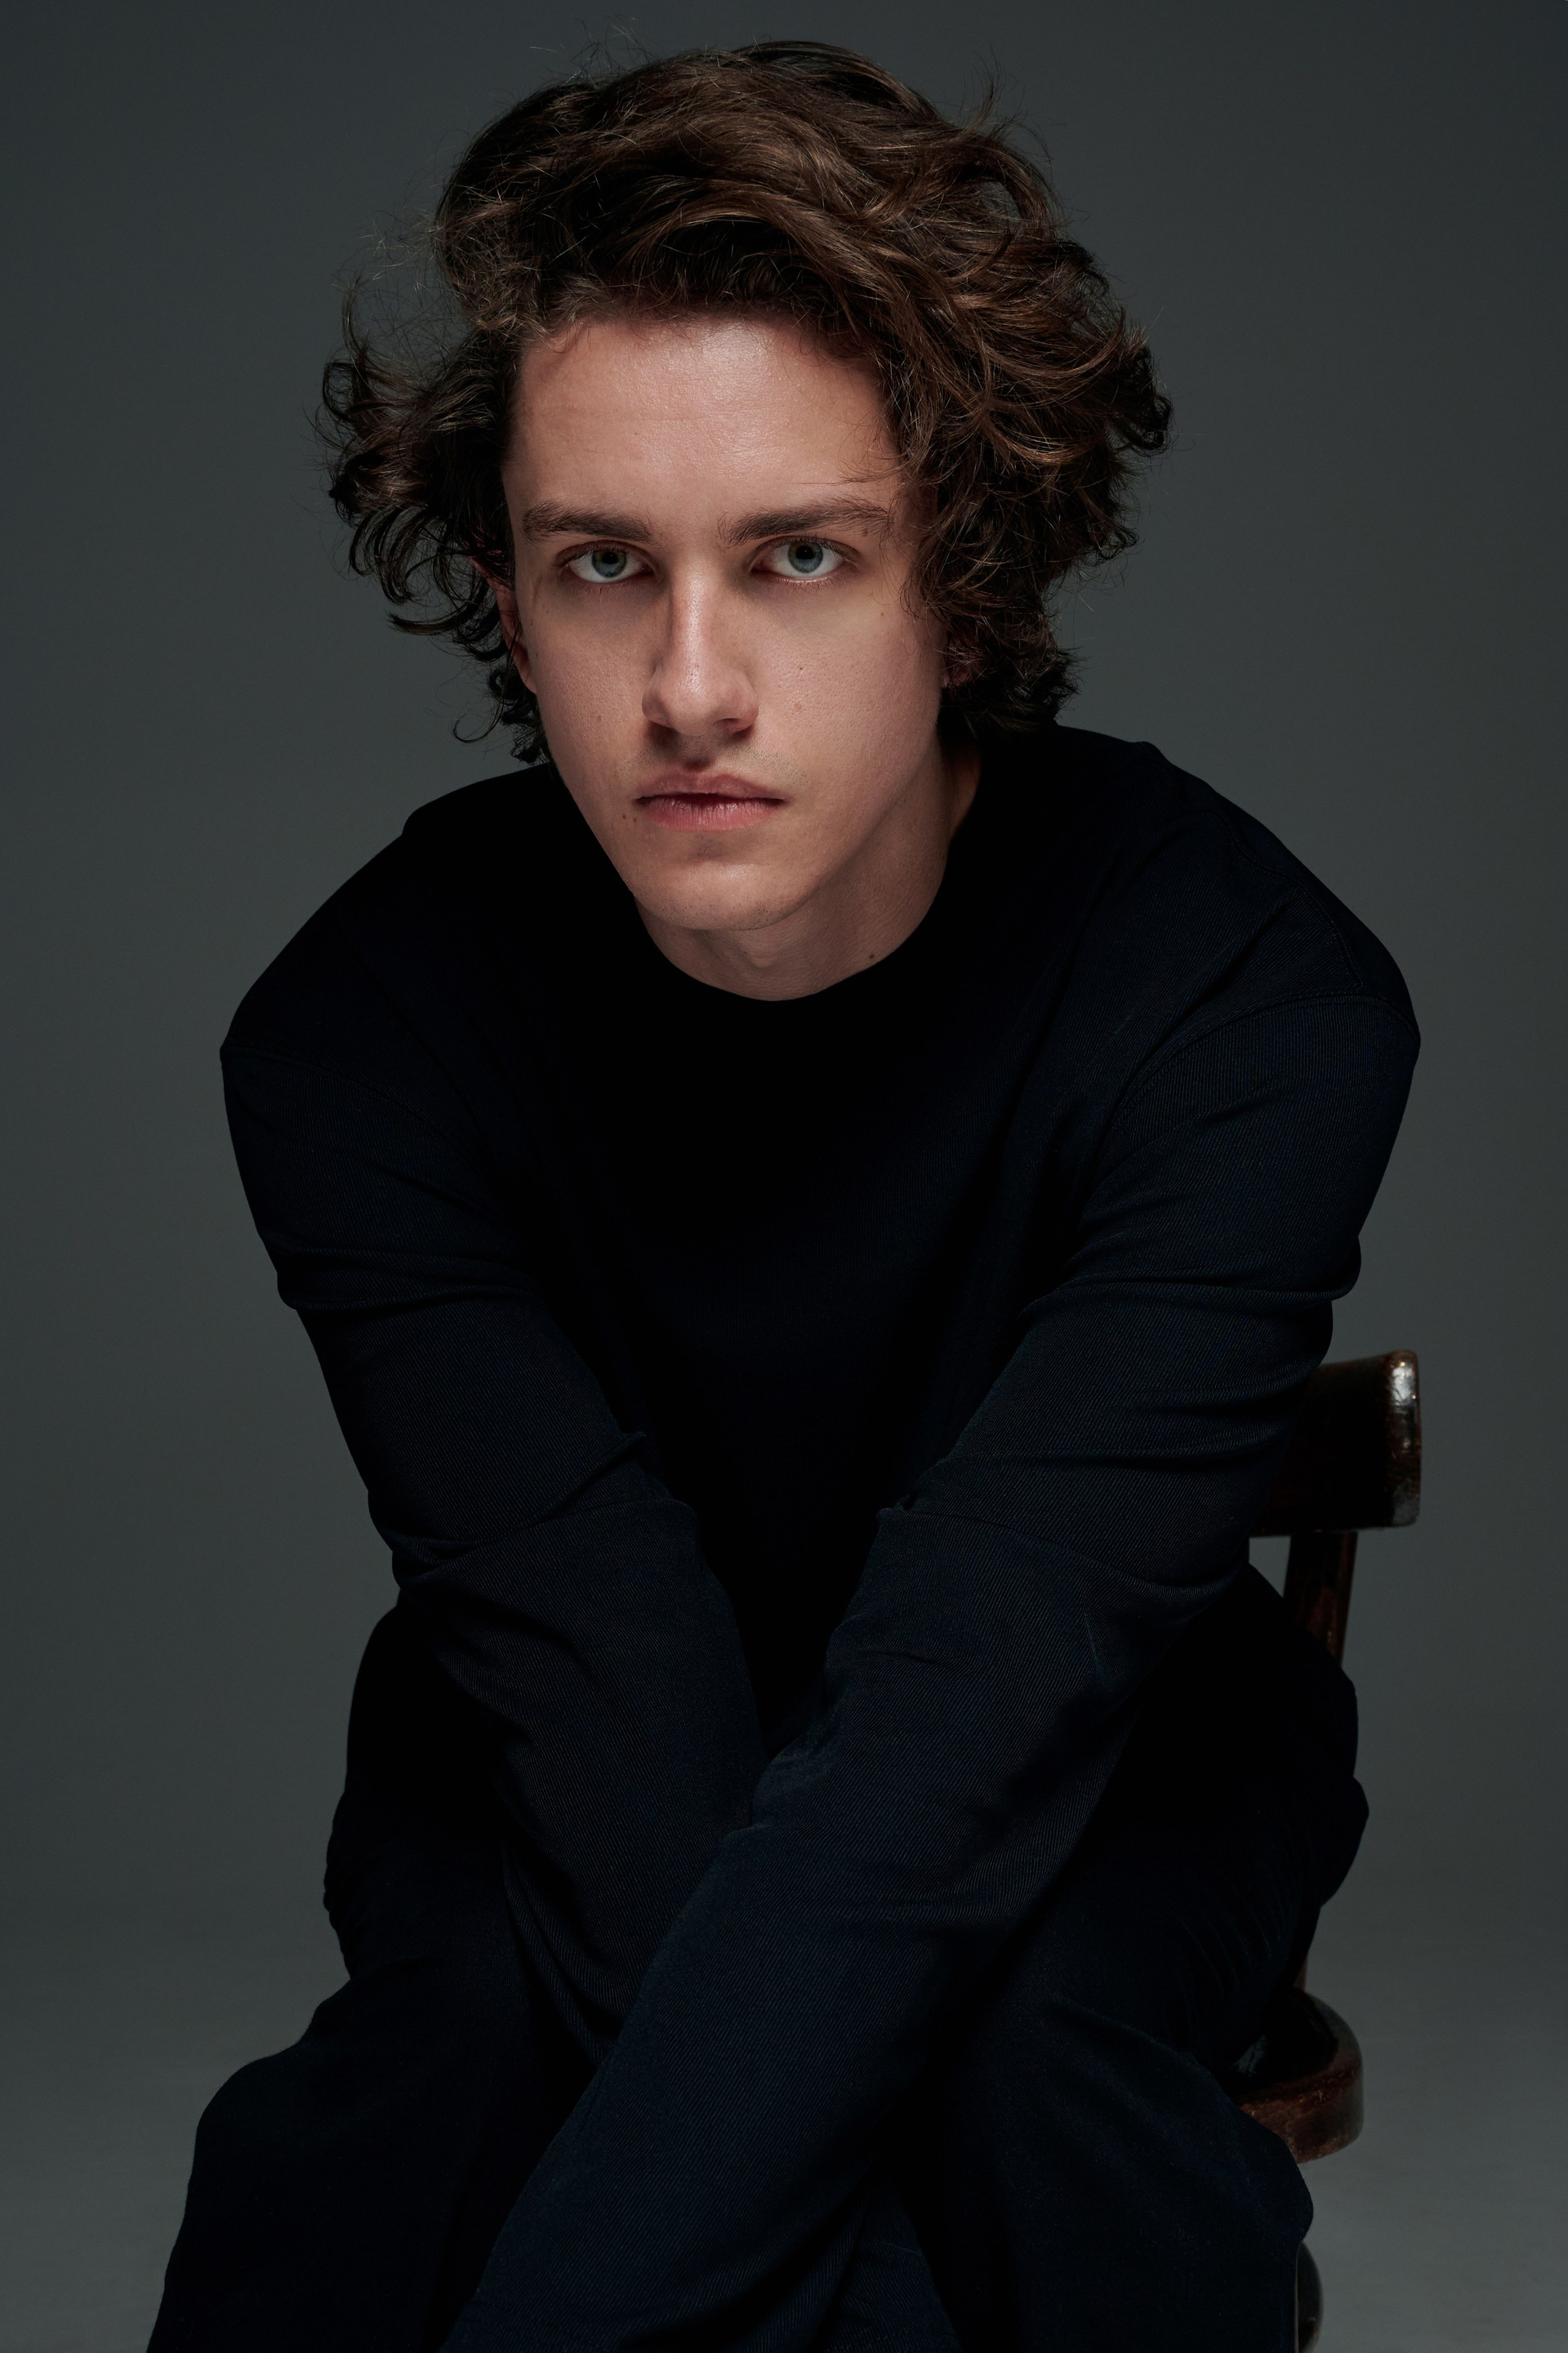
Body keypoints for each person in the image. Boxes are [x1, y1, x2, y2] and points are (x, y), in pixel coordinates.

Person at [148, 41, 1417, 2353]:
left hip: (1095, 1734)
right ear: (507, 600)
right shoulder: (364, 1031)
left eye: (798, 556)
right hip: (560, 1743)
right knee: (426, 2090)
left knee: (1037, 2066)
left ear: (965, 584)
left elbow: (993, 1675)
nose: (691, 686)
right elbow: (594, 1663)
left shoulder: (1244, 996)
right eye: (602, 566)